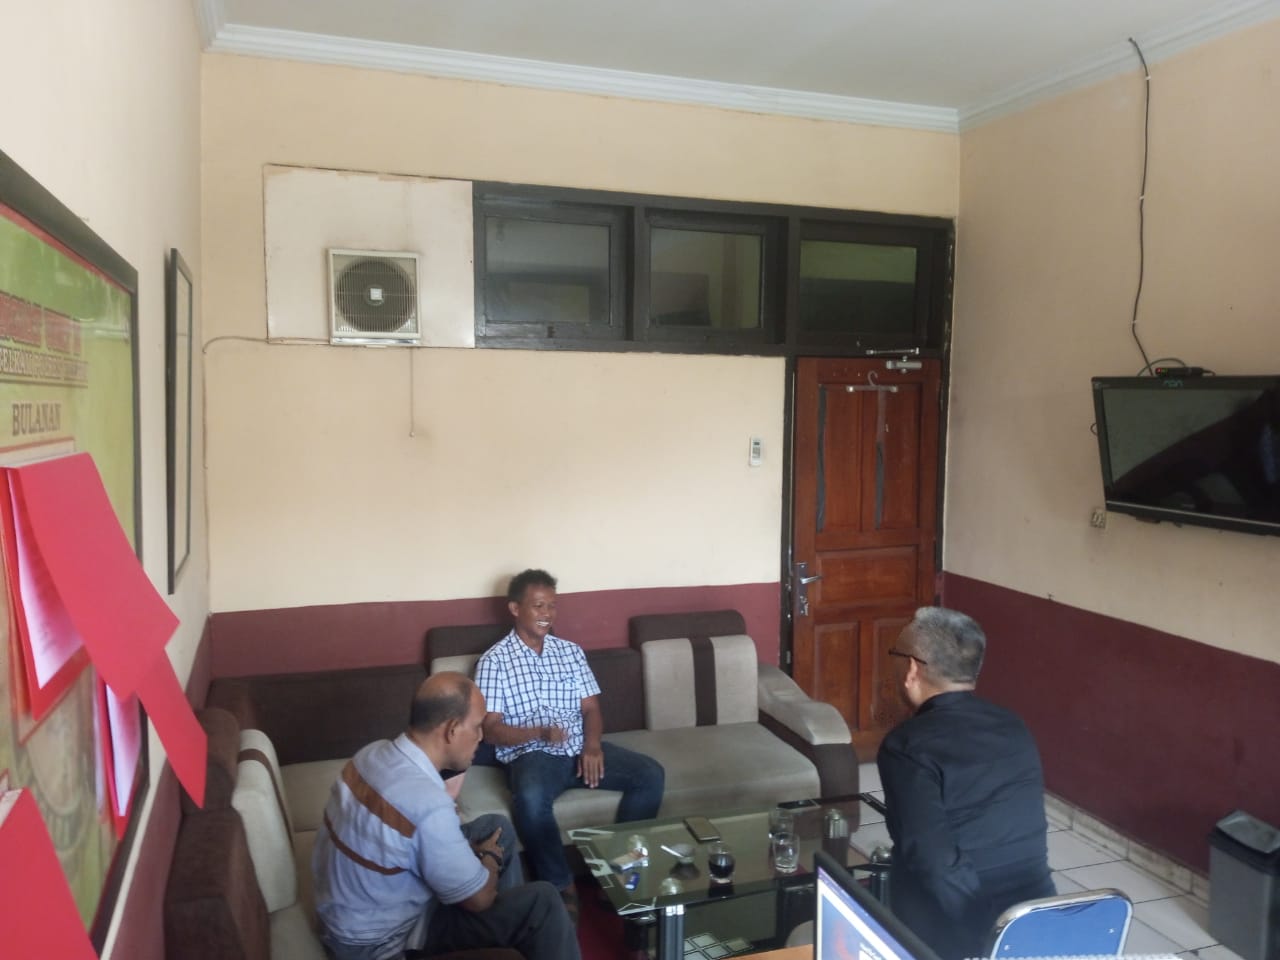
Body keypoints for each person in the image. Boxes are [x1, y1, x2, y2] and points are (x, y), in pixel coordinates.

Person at [312, 671, 580, 960]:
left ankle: (507, 939)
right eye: (476, 727)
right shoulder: (428, 804)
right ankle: (513, 928)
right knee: (543, 901)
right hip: (380, 941)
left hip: (346, 914)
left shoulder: (371, 753)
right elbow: (479, 901)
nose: (481, 737)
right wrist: (489, 858)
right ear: (452, 730)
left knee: (496, 826)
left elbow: (406, 836)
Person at [474, 569, 665, 916]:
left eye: (552, 605)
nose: (547, 614)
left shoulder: (570, 652)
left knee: (650, 774)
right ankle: (562, 885)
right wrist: (539, 733)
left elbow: (591, 708)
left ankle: (619, 872)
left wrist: (592, 746)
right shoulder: (494, 661)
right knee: (530, 799)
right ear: (515, 609)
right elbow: (490, 729)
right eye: (538, 606)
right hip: (532, 754)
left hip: (578, 749)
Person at [877, 607, 1053, 960]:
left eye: (894, 654)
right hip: (1037, 917)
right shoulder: (1012, 725)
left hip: (958, 930)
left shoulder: (907, 746)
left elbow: (932, 861)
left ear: (912, 669)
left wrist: (988, 935)